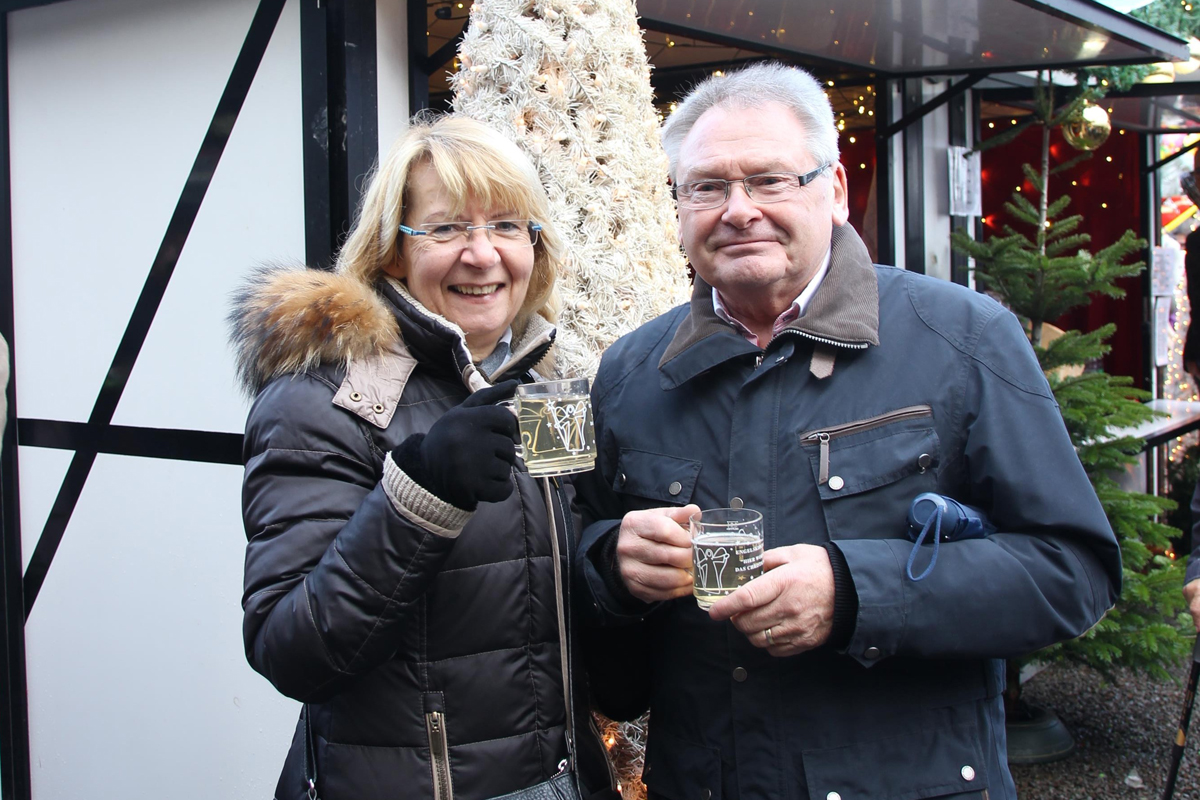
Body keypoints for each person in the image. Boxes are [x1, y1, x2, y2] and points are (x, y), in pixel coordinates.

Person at [574, 62, 1121, 800]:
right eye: (707, 186)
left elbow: (1073, 571)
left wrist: (858, 594)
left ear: (832, 191)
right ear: (678, 206)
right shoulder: (633, 372)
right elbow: (583, 570)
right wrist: (611, 567)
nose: (738, 210)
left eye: (770, 180)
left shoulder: (961, 339)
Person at [231, 114, 612, 800]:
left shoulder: (546, 385)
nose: (482, 254)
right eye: (445, 229)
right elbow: (291, 650)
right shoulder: (323, 401)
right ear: (392, 253)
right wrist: (420, 494)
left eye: (506, 225)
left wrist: (618, 566)